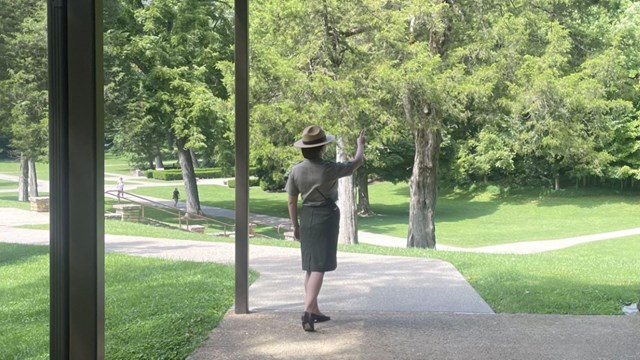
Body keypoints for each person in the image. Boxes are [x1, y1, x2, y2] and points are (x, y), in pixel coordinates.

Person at [285, 125, 366, 332]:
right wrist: (360, 145)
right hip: (325, 216)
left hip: (307, 216)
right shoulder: (329, 168)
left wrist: (295, 226)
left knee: (311, 265)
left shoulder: (296, 171)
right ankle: (307, 311)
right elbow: (356, 163)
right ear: (321, 148)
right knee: (320, 265)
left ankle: (315, 310)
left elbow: (292, 202)